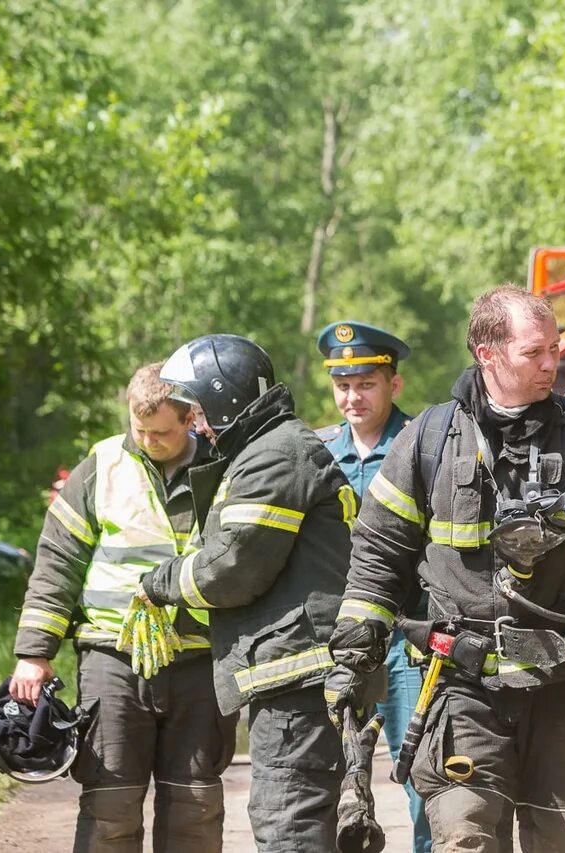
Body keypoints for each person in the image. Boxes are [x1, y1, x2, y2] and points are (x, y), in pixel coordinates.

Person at [327, 285, 565, 852]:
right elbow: (378, 555)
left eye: (555, 347)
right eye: (535, 352)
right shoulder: (428, 440)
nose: (552, 363)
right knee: (465, 834)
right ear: (488, 353)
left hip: (564, 688)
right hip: (462, 686)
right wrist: (354, 658)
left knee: (562, 842)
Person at [138, 334, 356, 853]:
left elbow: (231, 569)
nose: (194, 422)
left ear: (225, 399)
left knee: (289, 823)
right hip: (302, 678)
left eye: (195, 408)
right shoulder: (274, 447)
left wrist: (160, 584)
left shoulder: (273, 456)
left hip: (299, 681)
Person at [10, 362, 236, 852]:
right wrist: (34, 651)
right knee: (109, 803)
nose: (149, 441)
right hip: (111, 658)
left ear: (190, 418)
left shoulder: (225, 468)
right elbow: (57, 562)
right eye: (140, 430)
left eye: (161, 433)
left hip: (199, 659)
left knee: (195, 808)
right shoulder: (101, 467)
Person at [315, 320, 432, 851]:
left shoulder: (424, 447)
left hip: (408, 644)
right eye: (343, 385)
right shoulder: (317, 456)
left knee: (423, 778)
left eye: (365, 384)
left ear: (393, 385)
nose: (352, 396)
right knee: (335, 785)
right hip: (343, 645)